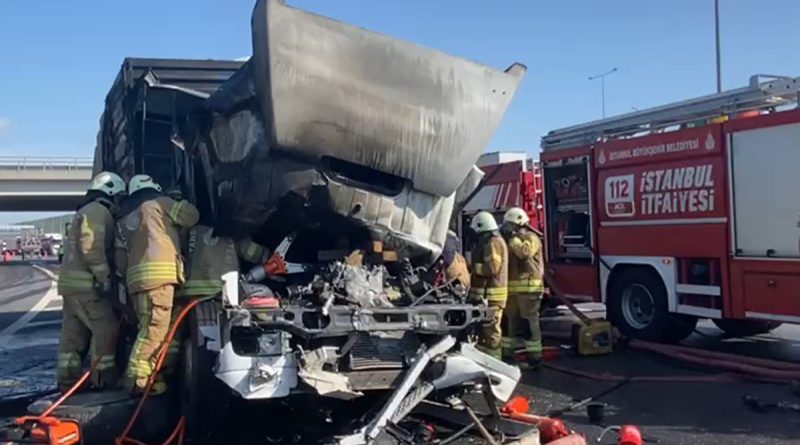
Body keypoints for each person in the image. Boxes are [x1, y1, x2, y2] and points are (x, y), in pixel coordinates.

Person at [117, 175, 199, 395]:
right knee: (154, 330)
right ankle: (139, 380)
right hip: (159, 279)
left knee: (152, 328)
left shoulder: (126, 219)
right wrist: (176, 201)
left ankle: (158, 375)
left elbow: (120, 258)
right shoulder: (159, 204)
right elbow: (191, 217)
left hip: (137, 282)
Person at [162, 223, 269, 373]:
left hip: (187, 292)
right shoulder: (231, 229)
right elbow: (253, 252)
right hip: (220, 291)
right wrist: (267, 254)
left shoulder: (185, 229)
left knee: (173, 334)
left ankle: (166, 369)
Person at [56, 171, 126, 392]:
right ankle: (102, 379)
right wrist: (104, 276)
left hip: (71, 285)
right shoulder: (97, 211)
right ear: (111, 192)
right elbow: (90, 246)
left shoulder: (85, 211)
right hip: (87, 286)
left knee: (73, 335)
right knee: (105, 328)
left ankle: (68, 382)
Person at [500, 207, 545, 369]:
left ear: (518, 223)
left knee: (528, 323)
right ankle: (506, 355)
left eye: (510, 225)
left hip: (529, 290)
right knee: (508, 322)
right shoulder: (510, 241)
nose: (507, 228)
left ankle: (535, 358)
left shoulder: (531, 238)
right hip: (512, 291)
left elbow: (524, 253)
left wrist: (512, 238)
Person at [468, 211, 508, 360]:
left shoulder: (493, 243)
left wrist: (473, 267)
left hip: (493, 297)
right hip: (486, 297)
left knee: (491, 331)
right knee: (484, 331)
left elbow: (492, 269)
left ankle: (495, 362)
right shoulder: (489, 242)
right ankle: (486, 360)